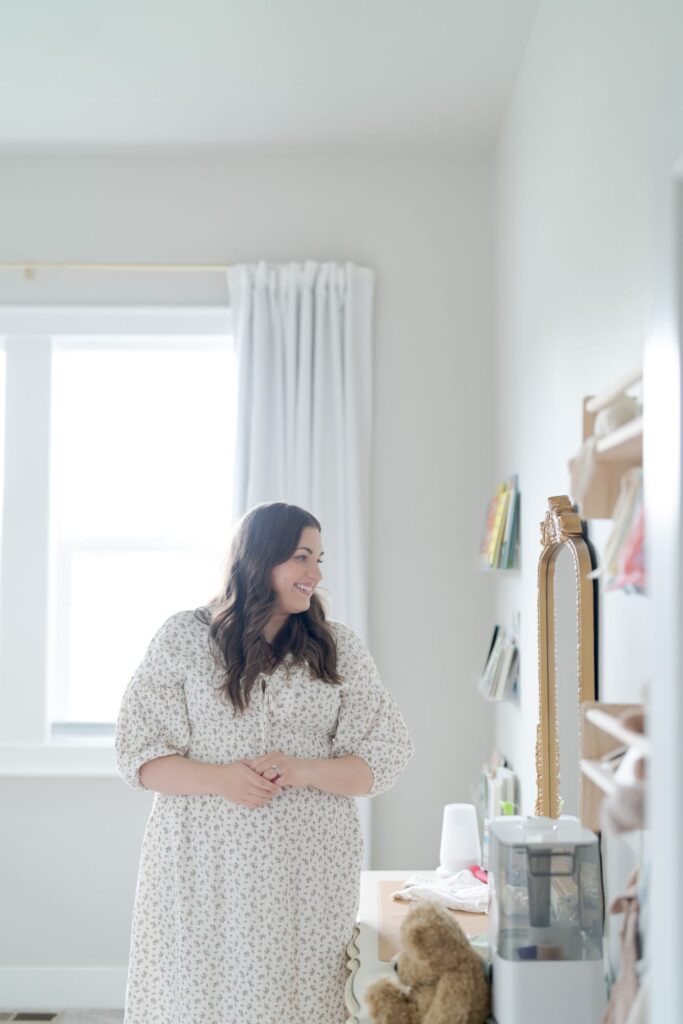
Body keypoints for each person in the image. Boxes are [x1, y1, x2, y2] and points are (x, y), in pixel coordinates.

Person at [115, 501, 414, 1024]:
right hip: (205, 866)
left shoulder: (337, 647)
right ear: (261, 558)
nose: (316, 574)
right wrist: (222, 780)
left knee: (302, 1001)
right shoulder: (185, 637)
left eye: (319, 559)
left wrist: (304, 769)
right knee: (202, 998)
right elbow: (138, 755)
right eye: (302, 557)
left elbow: (384, 758)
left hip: (310, 868)